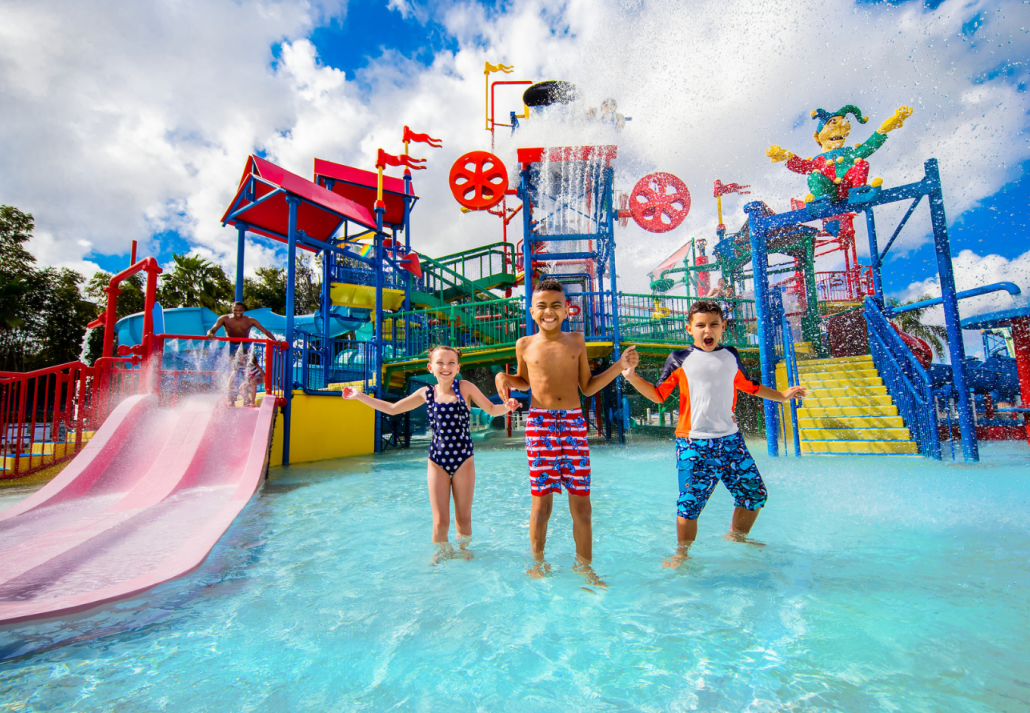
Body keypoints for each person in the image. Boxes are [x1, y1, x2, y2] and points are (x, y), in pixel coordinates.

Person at [621, 300, 806, 568]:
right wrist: (631, 376)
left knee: (755, 495)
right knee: (690, 504)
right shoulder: (679, 359)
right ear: (689, 329)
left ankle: (737, 537)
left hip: (731, 440)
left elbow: (748, 385)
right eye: (701, 325)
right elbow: (659, 395)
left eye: (714, 325)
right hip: (693, 443)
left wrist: (780, 396)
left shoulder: (731, 354)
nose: (707, 330)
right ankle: (682, 555)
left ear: (723, 328)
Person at [495, 279, 639, 582]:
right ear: (532, 311)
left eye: (555, 305)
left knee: (582, 505)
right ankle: (537, 562)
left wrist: (618, 367)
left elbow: (587, 387)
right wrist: (503, 378)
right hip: (540, 424)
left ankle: (585, 568)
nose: (549, 311)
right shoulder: (524, 344)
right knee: (542, 503)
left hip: (573, 423)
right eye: (542, 306)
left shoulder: (576, 341)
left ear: (566, 310)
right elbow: (524, 380)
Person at [343, 346, 519, 558]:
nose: (446, 367)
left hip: (464, 459)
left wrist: (507, 407)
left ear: (458, 367)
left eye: (451, 362)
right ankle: (441, 557)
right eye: (440, 362)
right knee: (440, 520)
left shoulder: (465, 387)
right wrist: (361, 396)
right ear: (431, 367)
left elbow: (491, 409)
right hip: (437, 460)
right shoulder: (426, 393)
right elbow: (392, 409)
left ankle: (464, 552)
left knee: (463, 518)